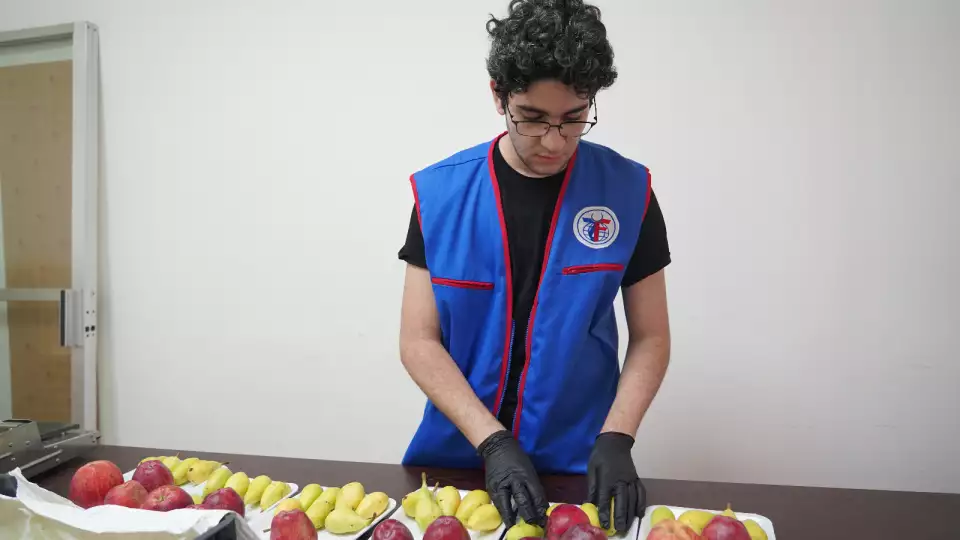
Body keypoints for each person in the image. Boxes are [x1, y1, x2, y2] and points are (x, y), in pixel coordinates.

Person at [397, 0, 671, 533]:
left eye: (574, 119)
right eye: (533, 119)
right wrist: (493, 441)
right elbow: (418, 341)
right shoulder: (438, 194)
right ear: (499, 96)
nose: (554, 141)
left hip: (580, 464)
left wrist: (618, 436)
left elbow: (651, 336)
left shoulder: (629, 192)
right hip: (456, 461)